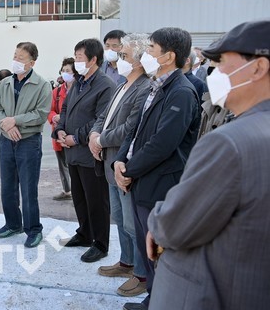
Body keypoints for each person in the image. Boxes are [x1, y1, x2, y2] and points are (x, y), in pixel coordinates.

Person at [146, 20, 270, 310]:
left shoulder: (231, 142)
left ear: (259, 68)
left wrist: (158, 221)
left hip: (210, 294)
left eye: (223, 62)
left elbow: (175, 225)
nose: (217, 72)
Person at [113, 27, 201, 310]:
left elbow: (162, 144)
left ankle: (165, 302)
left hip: (160, 185)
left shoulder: (182, 92)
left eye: (151, 49)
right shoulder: (156, 85)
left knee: (159, 251)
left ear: (169, 56)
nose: (146, 54)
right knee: (146, 247)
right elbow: (137, 130)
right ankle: (154, 298)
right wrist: (120, 160)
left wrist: (128, 171)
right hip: (142, 180)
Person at [88, 34, 151, 296]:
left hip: (123, 164)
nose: (118, 60)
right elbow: (104, 116)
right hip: (108, 162)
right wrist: (94, 135)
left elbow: (130, 128)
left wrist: (101, 139)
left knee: (131, 223)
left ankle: (142, 273)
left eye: (123, 55)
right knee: (119, 218)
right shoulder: (121, 84)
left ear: (138, 60)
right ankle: (126, 262)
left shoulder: (144, 88)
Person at [54, 38, 116, 263]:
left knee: (97, 199)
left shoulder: (105, 85)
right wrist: (60, 130)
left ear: (93, 59)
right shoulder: (79, 82)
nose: (76, 60)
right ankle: (84, 233)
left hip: (90, 152)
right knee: (80, 198)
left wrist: (75, 137)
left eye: (80, 57)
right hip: (72, 152)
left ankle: (100, 243)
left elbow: (102, 120)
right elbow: (65, 108)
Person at [0, 42, 52, 248]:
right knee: (7, 186)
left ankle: (33, 229)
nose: (16, 60)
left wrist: (15, 120)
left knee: (28, 188)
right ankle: (12, 223)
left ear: (32, 62)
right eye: (15, 55)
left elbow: (41, 114)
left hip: (28, 141)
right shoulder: (5, 83)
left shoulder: (42, 85)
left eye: (21, 58)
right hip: (6, 139)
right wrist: (6, 126)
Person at [47, 57, 77, 201]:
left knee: (75, 165)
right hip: (59, 133)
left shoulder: (80, 90)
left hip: (74, 135)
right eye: (63, 70)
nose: (65, 73)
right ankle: (67, 190)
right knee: (62, 163)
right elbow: (49, 110)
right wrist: (54, 117)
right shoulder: (57, 92)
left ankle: (78, 193)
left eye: (68, 71)